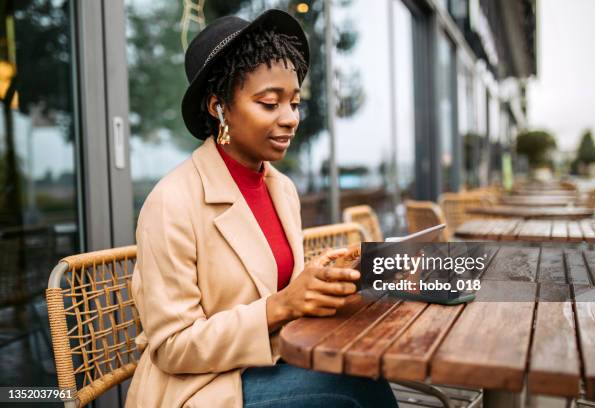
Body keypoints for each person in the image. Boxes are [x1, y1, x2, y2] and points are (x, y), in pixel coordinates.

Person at [126, 9, 398, 408]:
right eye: (269, 104)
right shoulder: (172, 202)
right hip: (203, 388)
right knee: (355, 389)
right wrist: (282, 305)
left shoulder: (281, 188)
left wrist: (321, 283)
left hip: (272, 361)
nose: (290, 119)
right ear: (219, 107)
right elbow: (173, 347)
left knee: (365, 366)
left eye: (294, 103)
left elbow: (275, 294)